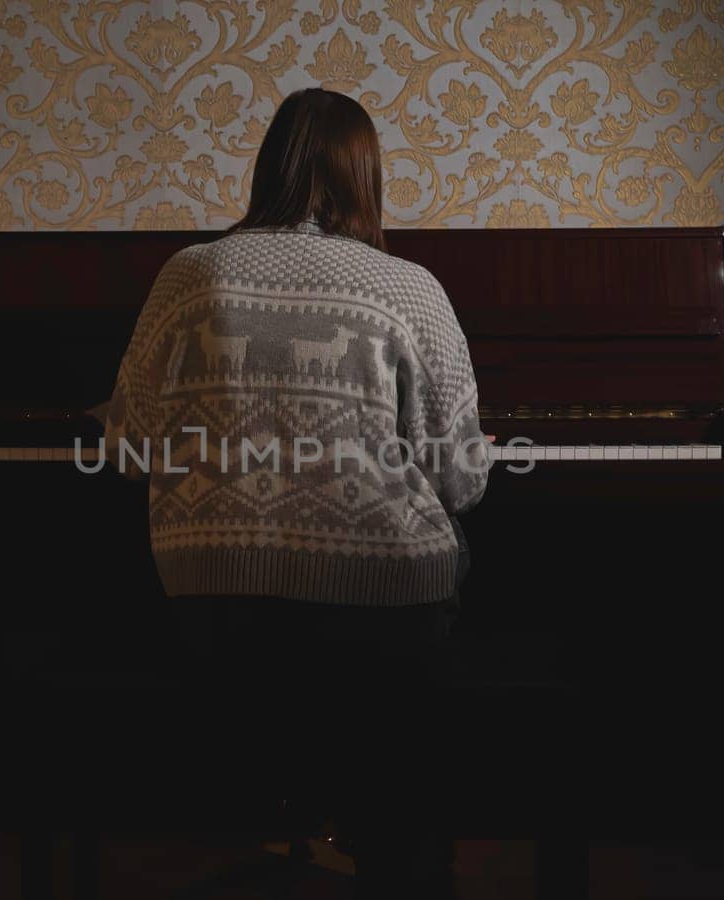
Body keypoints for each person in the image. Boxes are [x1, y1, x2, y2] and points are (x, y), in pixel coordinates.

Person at [101, 86, 488, 898]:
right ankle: (396, 839)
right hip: (382, 611)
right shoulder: (409, 286)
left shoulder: (185, 274)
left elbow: (127, 449)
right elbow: (460, 477)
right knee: (446, 583)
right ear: (364, 177)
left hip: (220, 611)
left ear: (266, 167)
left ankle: (283, 813)